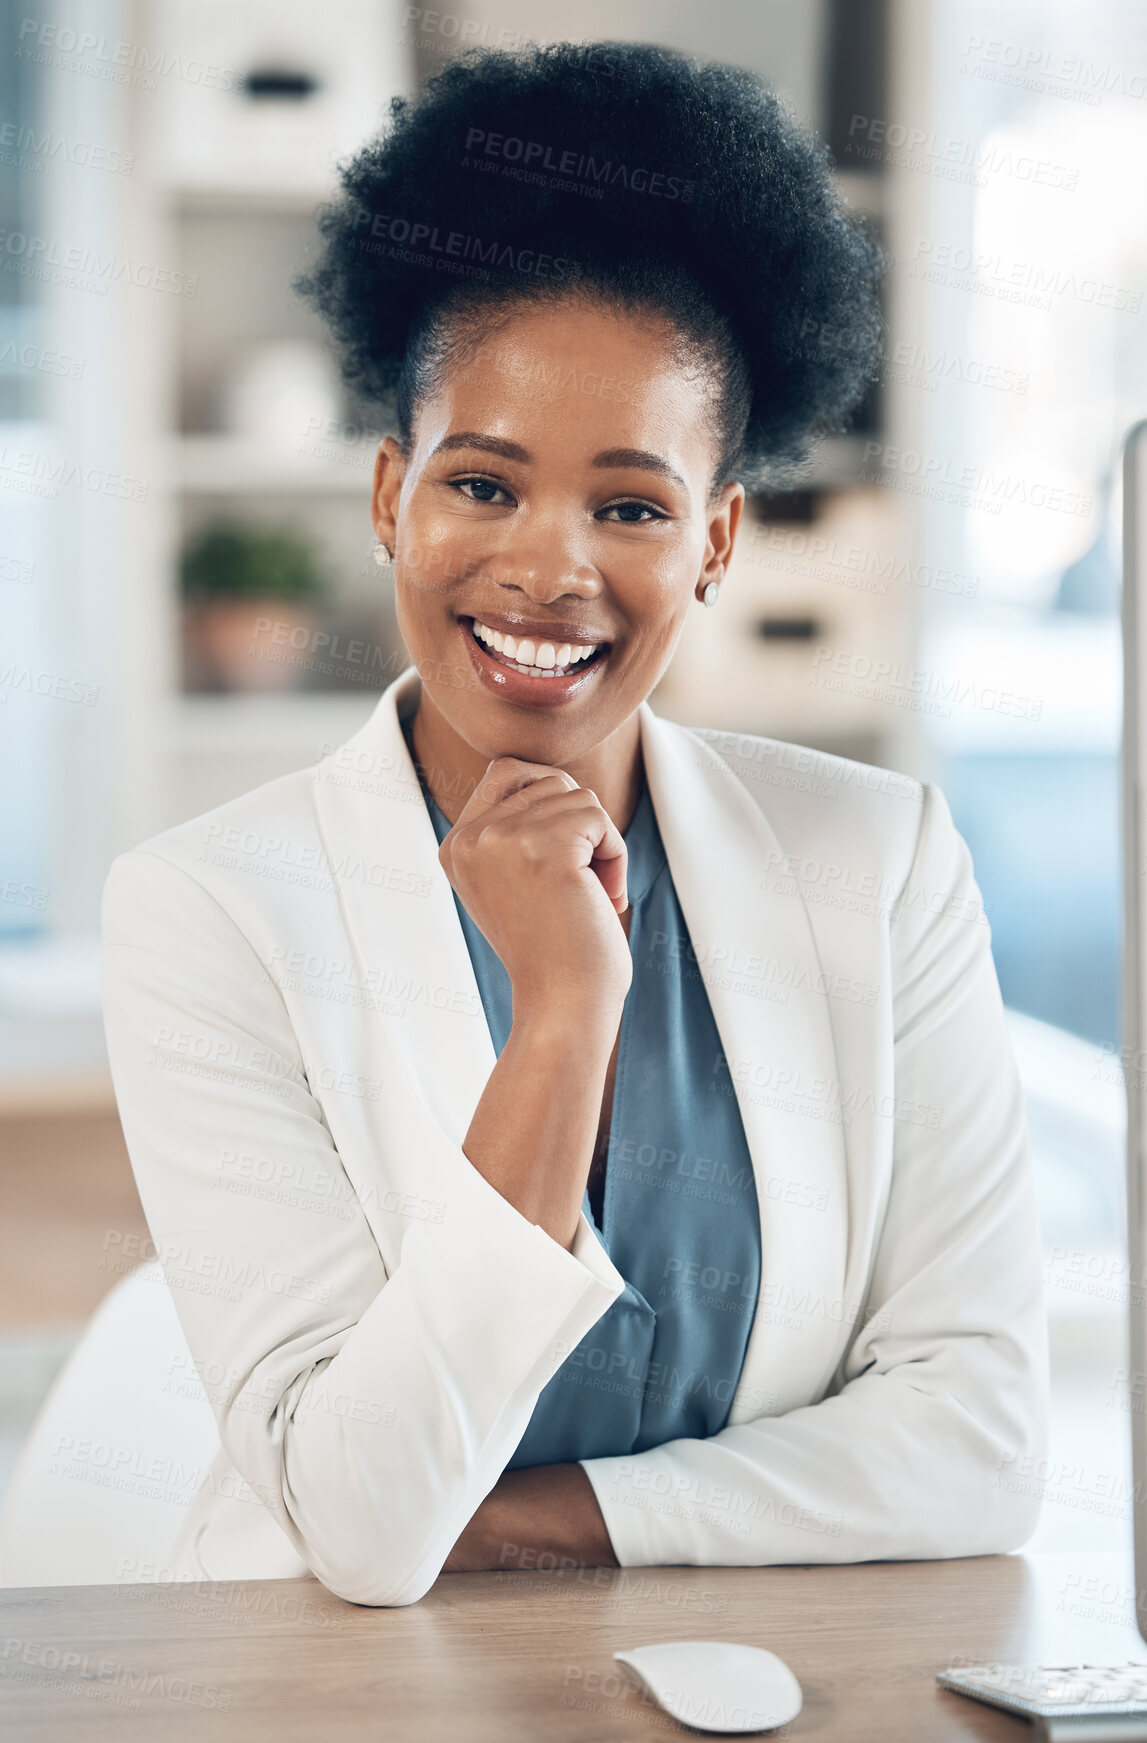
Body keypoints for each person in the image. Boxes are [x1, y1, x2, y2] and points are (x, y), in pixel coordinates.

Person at [94, 41, 1046, 1606]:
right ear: (391, 494)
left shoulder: (880, 862)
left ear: (719, 539)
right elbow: (362, 1526)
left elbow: (982, 1442)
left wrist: (527, 1517)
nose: (548, 570)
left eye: (631, 505)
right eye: (483, 486)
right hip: (338, 1698)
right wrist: (565, 1013)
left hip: (765, 1680)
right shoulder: (210, 907)